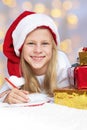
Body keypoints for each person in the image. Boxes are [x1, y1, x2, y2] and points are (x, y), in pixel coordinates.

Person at [0, 11, 71, 104]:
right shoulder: (17, 71)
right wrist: (7, 97)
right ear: (21, 48)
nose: (38, 50)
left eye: (45, 43)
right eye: (31, 43)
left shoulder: (60, 62)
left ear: (52, 47)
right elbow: (2, 95)